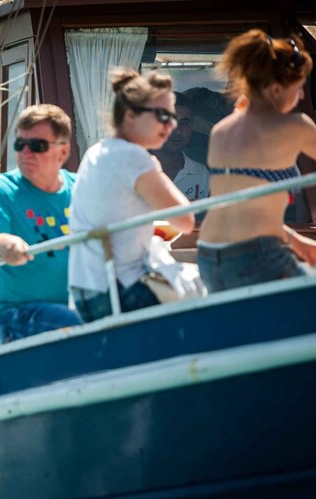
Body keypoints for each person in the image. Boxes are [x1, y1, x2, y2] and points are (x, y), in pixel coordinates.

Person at [68, 69, 195, 322]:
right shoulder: (134, 157)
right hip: (121, 293)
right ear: (131, 116)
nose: (171, 125)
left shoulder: (96, 151)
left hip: (86, 290)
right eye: (163, 115)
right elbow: (185, 220)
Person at [198, 30, 316, 291]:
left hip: (209, 255)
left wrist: (295, 240)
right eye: (297, 89)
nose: (301, 97)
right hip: (253, 256)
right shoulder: (293, 125)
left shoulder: (222, 129)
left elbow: (245, 208)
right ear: (275, 89)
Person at [0, 104, 82, 343]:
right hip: (15, 313)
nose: (25, 152)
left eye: (37, 146)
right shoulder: (0, 191)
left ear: (62, 153)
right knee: (83, 327)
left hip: (76, 305)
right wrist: (6, 243)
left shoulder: (81, 189)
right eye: (19, 144)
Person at [151, 92, 210, 202]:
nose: (177, 130)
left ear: (191, 126)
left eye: (184, 122)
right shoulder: (135, 168)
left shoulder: (201, 174)